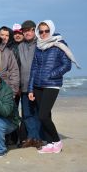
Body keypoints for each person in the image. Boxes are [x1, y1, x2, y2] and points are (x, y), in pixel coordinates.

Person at [28, 20, 80, 154]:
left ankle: (57, 142)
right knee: (47, 115)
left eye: (46, 31)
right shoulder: (38, 46)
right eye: (41, 31)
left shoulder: (59, 44)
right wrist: (30, 89)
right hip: (38, 85)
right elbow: (34, 68)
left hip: (52, 84)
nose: (44, 33)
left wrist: (51, 74)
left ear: (51, 30)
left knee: (42, 115)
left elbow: (66, 65)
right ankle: (50, 143)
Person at [18, 20, 42, 148]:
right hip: (24, 86)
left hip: (38, 85)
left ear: (34, 30)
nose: (27, 32)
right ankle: (32, 137)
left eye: (30, 30)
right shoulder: (20, 46)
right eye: (25, 30)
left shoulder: (40, 44)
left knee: (38, 113)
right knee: (26, 114)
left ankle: (36, 138)